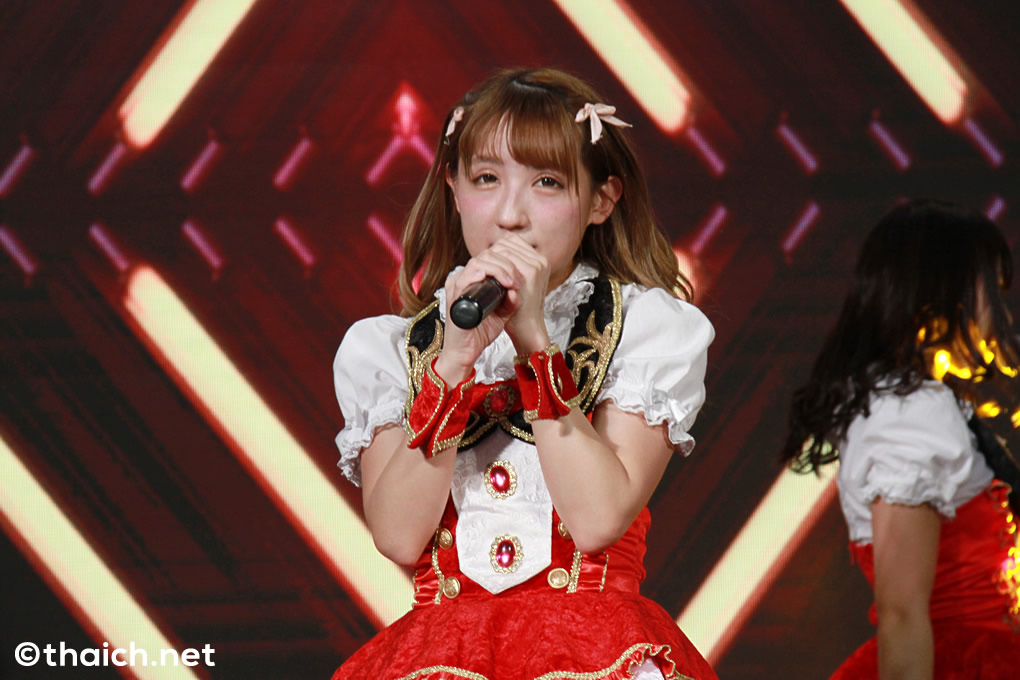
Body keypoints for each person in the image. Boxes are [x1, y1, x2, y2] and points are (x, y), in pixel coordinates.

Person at [330, 67, 717, 680]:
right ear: (453, 188)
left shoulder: (646, 329)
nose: (510, 215)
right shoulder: (390, 349)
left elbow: (597, 520)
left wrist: (535, 342)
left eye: (546, 182)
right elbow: (399, 537)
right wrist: (454, 362)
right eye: (486, 178)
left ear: (601, 200)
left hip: (599, 652)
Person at [781, 199, 1020, 679]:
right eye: (990, 291)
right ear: (939, 297)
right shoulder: (910, 415)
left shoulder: (916, 404)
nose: (998, 314)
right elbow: (902, 611)